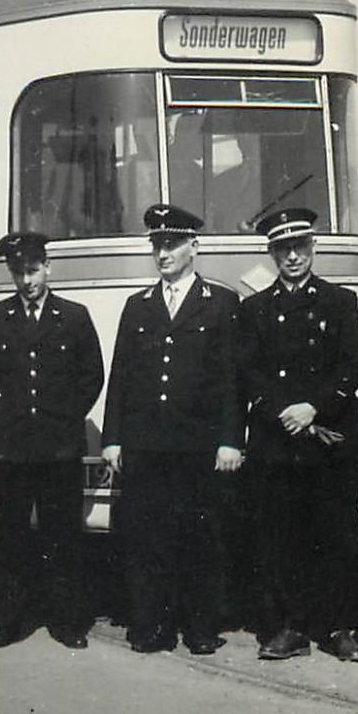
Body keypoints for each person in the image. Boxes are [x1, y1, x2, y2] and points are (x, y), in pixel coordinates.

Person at [100, 204, 244, 655]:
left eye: (171, 244)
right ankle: (151, 626)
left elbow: (231, 381)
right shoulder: (138, 305)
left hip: (197, 446)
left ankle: (201, 627)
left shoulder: (220, 303)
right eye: (157, 245)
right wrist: (112, 438)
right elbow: (120, 375)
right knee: (148, 539)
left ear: (193, 248)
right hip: (146, 446)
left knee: (200, 537)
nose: (162, 253)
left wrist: (229, 439)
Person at [237, 207, 358, 663]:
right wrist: (282, 412)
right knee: (281, 535)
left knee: (335, 533)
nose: (293, 257)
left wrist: (313, 407)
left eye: (300, 247)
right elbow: (249, 372)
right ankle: (289, 627)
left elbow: (350, 368)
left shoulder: (337, 302)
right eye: (283, 249)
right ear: (272, 253)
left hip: (326, 435)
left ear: (312, 249)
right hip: (277, 439)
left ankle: (339, 628)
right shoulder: (255, 308)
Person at [0, 231, 104, 649]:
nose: (26, 280)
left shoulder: (75, 316)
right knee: (8, 535)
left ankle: (66, 622)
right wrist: (12, 414)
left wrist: (62, 416)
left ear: (48, 268)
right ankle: (7, 621)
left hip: (59, 446)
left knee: (61, 533)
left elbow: (92, 377)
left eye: (32, 270)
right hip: (8, 447)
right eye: (18, 272)